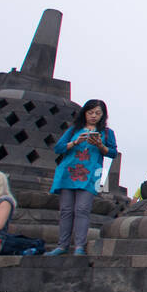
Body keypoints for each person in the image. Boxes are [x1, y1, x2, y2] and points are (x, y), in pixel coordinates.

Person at [44, 99, 118, 256]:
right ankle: (62, 245)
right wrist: (75, 142)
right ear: (84, 113)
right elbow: (58, 148)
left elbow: (112, 153)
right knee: (66, 210)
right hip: (69, 171)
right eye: (90, 112)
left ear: (103, 115)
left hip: (92, 173)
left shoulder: (106, 133)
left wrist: (99, 145)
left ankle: (79, 246)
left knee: (82, 209)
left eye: (98, 113)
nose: (94, 116)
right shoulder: (73, 130)